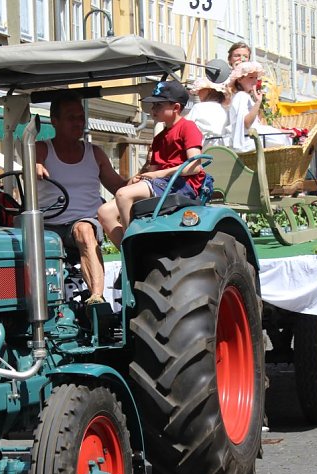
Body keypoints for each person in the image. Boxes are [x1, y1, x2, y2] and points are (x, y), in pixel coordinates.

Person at [36, 92, 127, 305]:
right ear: (55, 121)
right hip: (47, 226)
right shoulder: (41, 149)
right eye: (71, 118)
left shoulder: (94, 153)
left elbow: (118, 187)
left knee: (83, 230)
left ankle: (97, 299)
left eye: (80, 117)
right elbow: (33, 163)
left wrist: (149, 178)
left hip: (85, 222)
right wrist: (36, 166)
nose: (78, 122)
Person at [97, 80, 205, 247]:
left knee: (123, 195)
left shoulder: (187, 127)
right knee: (105, 212)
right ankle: (130, 256)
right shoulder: (159, 137)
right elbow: (152, 170)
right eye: (153, 105)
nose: (152, 110)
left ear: (176, 107)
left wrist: (155, 175)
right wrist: (140, 178)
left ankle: (136, 245)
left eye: (158, 105)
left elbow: (194, 165)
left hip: (181, 184)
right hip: (161, 183)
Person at [226, 61, 291, 153]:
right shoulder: (241, 96)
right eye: (251, 77)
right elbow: (247, 123)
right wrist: (258, 102)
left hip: (249, 138)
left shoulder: (243, 96)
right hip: (247, 142)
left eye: (256, 78)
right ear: (239, 79)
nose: (255, 81)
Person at [186, 77, 230, 148]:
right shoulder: (226, 109)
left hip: (205, 148)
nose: (198, 94)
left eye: (200, 90)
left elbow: (186, 126)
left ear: (208, 91)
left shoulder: (198, 107)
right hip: (225, 148)